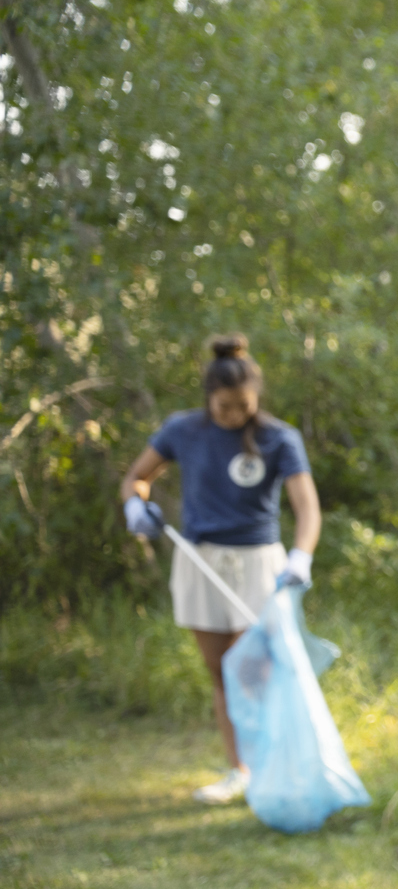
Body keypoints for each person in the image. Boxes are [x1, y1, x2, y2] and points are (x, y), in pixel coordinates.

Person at [121, 334, 322, 805]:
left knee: (255, 668)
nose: (235, 415)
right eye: (226, 406)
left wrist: (302, 555)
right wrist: (136, 506)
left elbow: (307, 508)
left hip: (260, 564)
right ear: (208, 397)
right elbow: (136, 479)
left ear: (257, 397)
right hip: (199, 560)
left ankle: (278, 765)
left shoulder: (279, 438)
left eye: (244, 406)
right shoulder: (182, 430)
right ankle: (239, 770)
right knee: (221, 673)